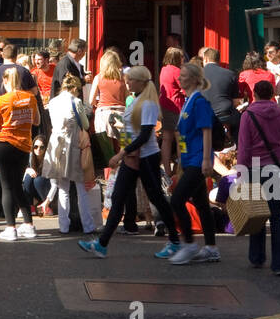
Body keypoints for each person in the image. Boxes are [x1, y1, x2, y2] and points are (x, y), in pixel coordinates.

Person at [80, 65, 180, 258]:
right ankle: (101, 245)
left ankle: (175, 240)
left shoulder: (148, 104)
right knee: (119, 197)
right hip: (133, 156)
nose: (127, 82)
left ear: (141, 82)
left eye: (131, 79)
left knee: (157, 198)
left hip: (146, 157)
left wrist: (120, 153)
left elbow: (144, 135)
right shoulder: (136, 101)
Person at [236, 80, 280, 275]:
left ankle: (257, 257)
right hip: (279, 168)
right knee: (277, 217)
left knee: (257, 214)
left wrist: (241, 173)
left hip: (255, 169)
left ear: (254, 94)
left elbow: (244, 149)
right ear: (272, 93)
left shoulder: (248, 115)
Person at [169, 61, 220, 265]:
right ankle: (211, 248)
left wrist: (207, 159)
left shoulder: (199, 102)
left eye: (183, 75)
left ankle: (189, 243)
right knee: (201, 204)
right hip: (190, 159)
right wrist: (181, 159)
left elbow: (206, 130)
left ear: (193, 78)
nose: (179, 78)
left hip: (198, 159)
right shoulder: (188, 101)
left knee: (177, 199)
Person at [42, 73, 100, 236]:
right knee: (81, 187)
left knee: (63, 188)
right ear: (74, 88)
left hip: (56, 143)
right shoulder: (76, 102)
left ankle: (63, 226)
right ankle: (88, 226)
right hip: (72, 144)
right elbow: (86, 124)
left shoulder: (53, 102)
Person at [0, 66, 41, 239]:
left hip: (4, 144)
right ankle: (28, 224)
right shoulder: (30, 98)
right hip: (24, 145)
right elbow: (37, 120)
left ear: (6, 81)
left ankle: (10, 227)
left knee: (7, 186)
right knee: (18, 184)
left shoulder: (2, 100)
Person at [201, 48, 242, 143]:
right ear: (218, 60)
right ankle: (236, 147)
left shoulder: (197, 74)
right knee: (240, 121)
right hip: (226, 114)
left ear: (205, 59)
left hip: (203, 114)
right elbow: (236, 102)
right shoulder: (230, 74)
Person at [158, 47, 184, 180]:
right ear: (177, 58)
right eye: (182, 57)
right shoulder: (177, 71)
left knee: (166, 139)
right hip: (177, 108)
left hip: (164, 106)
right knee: (181, 139)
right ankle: (181, 169)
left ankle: (167, 170)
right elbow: (185, 89)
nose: (183, 59)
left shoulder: (163, 70)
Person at [90, 49, 127, 136]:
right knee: (125, 145)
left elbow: (91, 100)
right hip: (121, 114)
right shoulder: (124, 78)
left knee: (105, 147)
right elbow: (127, 97)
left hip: (103, 114)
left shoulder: (98, 77)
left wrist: (97, 104)